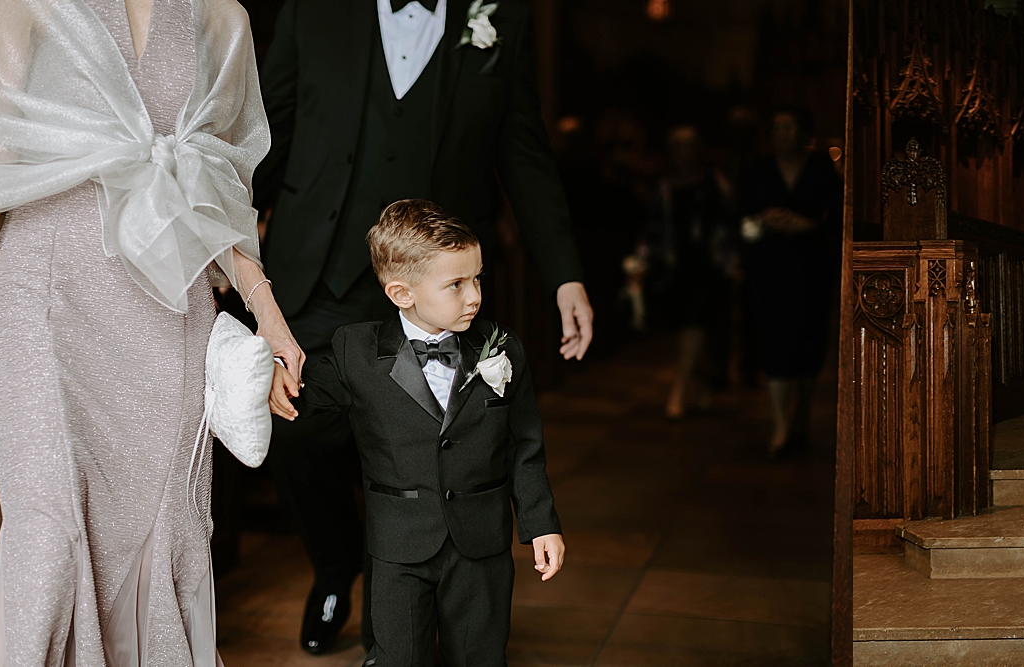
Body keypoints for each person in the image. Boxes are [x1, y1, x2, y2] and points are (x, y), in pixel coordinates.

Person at [0, 0, 299, 662]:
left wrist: (270, 317)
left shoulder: (221, 17)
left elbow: (217, 188)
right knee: (49, 536)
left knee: (157, 531)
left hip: (166, 312)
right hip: (44, 299)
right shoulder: (27, 5)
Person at [251, 0, 592, 651]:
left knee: (428, 441)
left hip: (433, 290)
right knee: (292, 427)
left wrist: (564, 273)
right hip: (316, 273)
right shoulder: (312, 11)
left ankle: (399, 614)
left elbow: (524, 150)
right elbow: (266, 135)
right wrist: (225, 248)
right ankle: (334, 562)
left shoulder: (500, 18)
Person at [291, 200, 565, 666]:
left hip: (481, 543)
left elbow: (525, 445)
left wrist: (540, 524)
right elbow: (299, 398)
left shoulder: (501, 346)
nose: (474, 296)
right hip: (399, 545)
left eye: (477, 278)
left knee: (479, 655)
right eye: (456, 285)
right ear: (402, 293)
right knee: (399, 657)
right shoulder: (355, 351)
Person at [737, 105, 840, 456]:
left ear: (803, 132)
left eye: (790, 127)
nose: (784, 134)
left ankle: (802, 418)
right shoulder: (757, 169)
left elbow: (839, 216)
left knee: (809, 341)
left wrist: (806, 225)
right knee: (774, 340)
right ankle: (780, 424)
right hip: (769, 267)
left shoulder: (821, 167)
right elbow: (739, 217)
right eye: (777, 127)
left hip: (811, 265)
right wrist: (765, 219)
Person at [645, 124, 738, 419]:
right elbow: (654, 228)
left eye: (690, 145)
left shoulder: (715, 182)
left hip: (707, 268)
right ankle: (702, 383)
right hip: (675, 268)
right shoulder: (665, 187)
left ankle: (679, 390)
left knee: (696, 324)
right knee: (686, 330)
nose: (685, 152)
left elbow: (729, 223)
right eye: (679, 146)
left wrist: (730, 261)